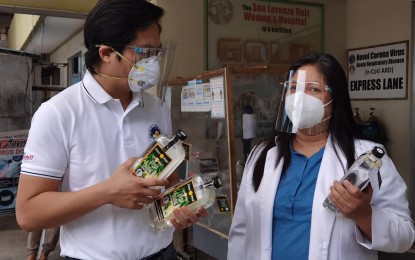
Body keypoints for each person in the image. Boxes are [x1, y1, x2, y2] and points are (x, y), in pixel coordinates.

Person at [16, 1, 206, 259]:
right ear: (105, 52)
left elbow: (167, 180)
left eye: (157, 52)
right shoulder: (58, 114)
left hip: (163, 253)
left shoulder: (157, 108)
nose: (153, 62)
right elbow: (28, 213)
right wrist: (107, 192)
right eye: (144, 52)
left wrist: (179, 207)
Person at [228, 52, 415, 260]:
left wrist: (364, 215)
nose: (299, 97)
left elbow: (405, 236)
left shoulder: (366, 158)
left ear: (335, 100)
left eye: (314, 89)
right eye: (293, 88)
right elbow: (240, 232)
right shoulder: (262, 154)